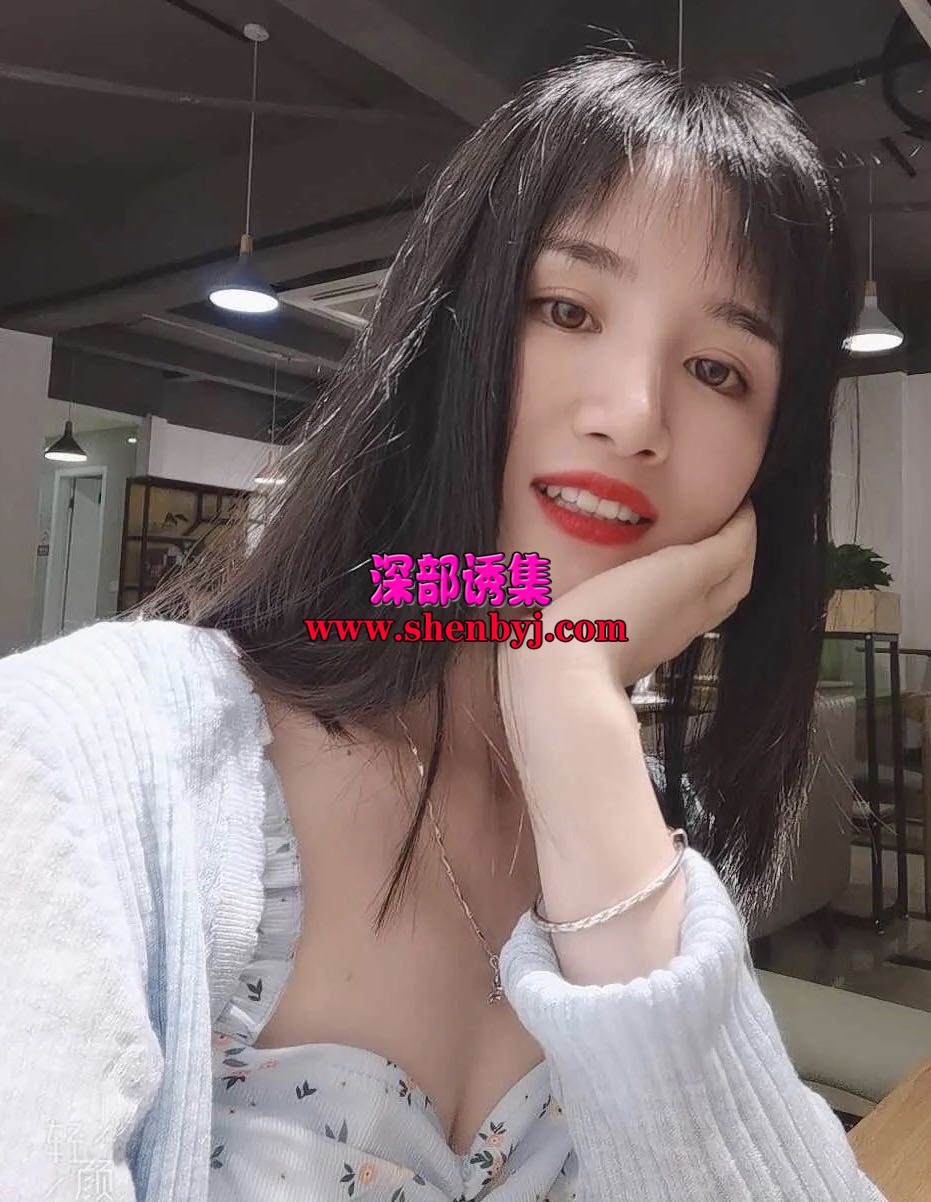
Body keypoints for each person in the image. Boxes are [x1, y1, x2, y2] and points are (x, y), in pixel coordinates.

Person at [0, 50, 887, 1202]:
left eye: (718, 369)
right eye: (566, 309)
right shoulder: (88, 753)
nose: (632, 416)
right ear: (444, 333)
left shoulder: (636, 821)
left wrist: (564, 690)